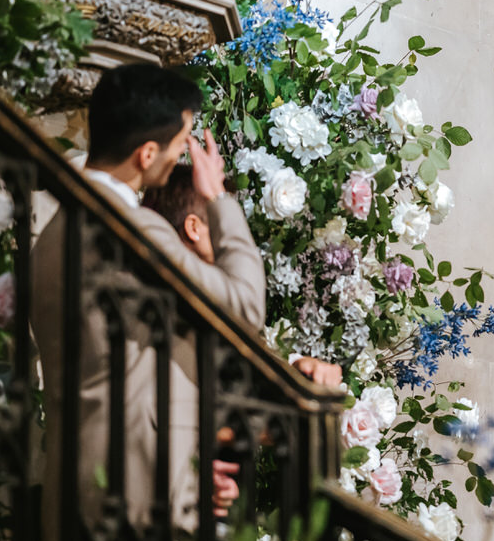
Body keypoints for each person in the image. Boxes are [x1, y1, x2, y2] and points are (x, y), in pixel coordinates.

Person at [30, 64, 265, 541]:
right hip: (129, 506)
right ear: (147, 151)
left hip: (95, 490)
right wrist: (218, 205)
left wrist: (183, 464)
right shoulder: (127, 229)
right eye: (184, 144)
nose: (182, 160)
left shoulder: (59, 228)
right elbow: (243, 308)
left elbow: (128, 373)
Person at [142, 166, 343, 388]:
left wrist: (295, 365)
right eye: (222, 222)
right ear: (193, 228)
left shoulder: (205, 291)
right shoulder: (179, 291)